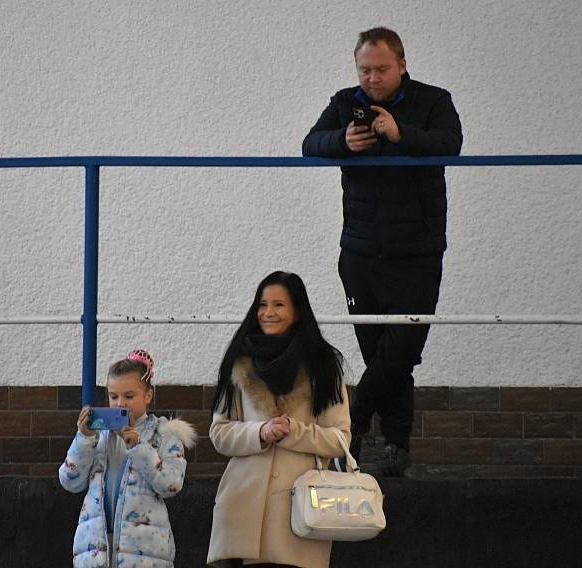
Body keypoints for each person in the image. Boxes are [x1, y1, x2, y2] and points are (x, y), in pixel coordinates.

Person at [301, 27, 462, 476]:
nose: (372, 79)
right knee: (382, 358)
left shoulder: (434, 101)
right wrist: (342, 143)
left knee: (401, 352)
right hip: (359, 251)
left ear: (403, 65)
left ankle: (348, 422)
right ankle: (397, 448)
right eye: (364, 70)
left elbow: (451, 144)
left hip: (417, 252)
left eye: (381, 69)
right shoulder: (343, 102)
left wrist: (400, 133)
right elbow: (310, 144)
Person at [207, 271, 351, 568]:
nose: (268, 313)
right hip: (242, 512)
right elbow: (219, 433)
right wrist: (261, 431)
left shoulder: (324, 366)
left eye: (278, 305)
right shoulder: (238, 360)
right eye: (262, 304)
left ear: (297, 311)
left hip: (300, 514)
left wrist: (293, 432)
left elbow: (340, 438)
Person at [59, 349, 196, 567]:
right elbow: (70, 481)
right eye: (113, 396)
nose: (120, 403)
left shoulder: (164, 433)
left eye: (129, 396)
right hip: (95, 550)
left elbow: (171, 485)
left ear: (148, 395)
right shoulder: (98, 434)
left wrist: (138, 447)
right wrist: (83, 438)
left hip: (145, 554)